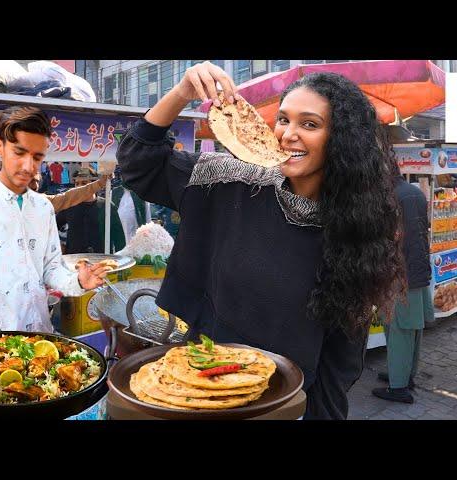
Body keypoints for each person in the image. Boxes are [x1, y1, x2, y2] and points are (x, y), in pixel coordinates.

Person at [116, 62, 405, 419]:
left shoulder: (356, 228)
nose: (288, 134)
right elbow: (138, 164)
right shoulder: (232, 180)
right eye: (283, 119)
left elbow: (340, 360)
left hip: (285, 404)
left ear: (342, 139)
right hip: (199, 389)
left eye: (309, 124)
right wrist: (180, 94)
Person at [0, 106, 109, 333]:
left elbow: (51, 269)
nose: (28, 166)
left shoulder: (43, 207)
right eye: (19, 153)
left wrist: (79, 281)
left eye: (37, 157)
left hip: (40, 334)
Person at [372, 156, 432, 404]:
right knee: (411, 328)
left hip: (400, 273)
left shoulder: (390, 197)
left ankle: (399, 388)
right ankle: (405, 375)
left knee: (399, 329)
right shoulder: (413, 192)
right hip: (416, 268)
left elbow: (388, 239)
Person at [56, 170, 104, 254]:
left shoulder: (106, 206)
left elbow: (118, 236)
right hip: (73, 260)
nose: (79, 187)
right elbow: (52, 227)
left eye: (84, 183)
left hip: (101, 260)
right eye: (77, 183)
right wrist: (59, 245)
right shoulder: (68, 205)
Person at [29, 170, 110, 213]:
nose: (36, 186)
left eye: (37, 181)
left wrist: (100, 183)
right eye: (31, 181)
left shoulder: (42, 201)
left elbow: (67, 197)